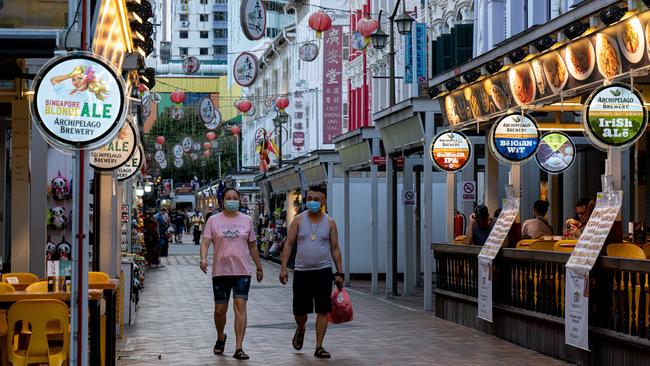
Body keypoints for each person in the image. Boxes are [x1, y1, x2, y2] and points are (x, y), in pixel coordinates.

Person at [279, 186, 344, 359]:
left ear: (323, 202)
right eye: (309, 198)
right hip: (302, 272)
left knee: (322, 310)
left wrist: (339, 273)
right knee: (300, 312)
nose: (312, 202)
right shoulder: (298, 220)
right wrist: (284, 267)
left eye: (316, 199)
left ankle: (319, 346)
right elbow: (289, 244)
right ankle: (301, 329)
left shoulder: (330, 222)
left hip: (323, 272)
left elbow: (335, 248)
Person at [199, 187, 264, 360]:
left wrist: (258, 266)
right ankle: (221, 337)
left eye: (235, 198)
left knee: (240, 307)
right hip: (220, 271)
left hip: (242, 271)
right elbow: (205, 243)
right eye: (228, 198)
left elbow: (252, 245)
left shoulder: (247, 220)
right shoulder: (213, 220)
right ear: (222, 201)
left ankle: (239, 347)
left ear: (240, 199)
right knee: (220, 309)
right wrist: (203, 259)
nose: (232, 200)